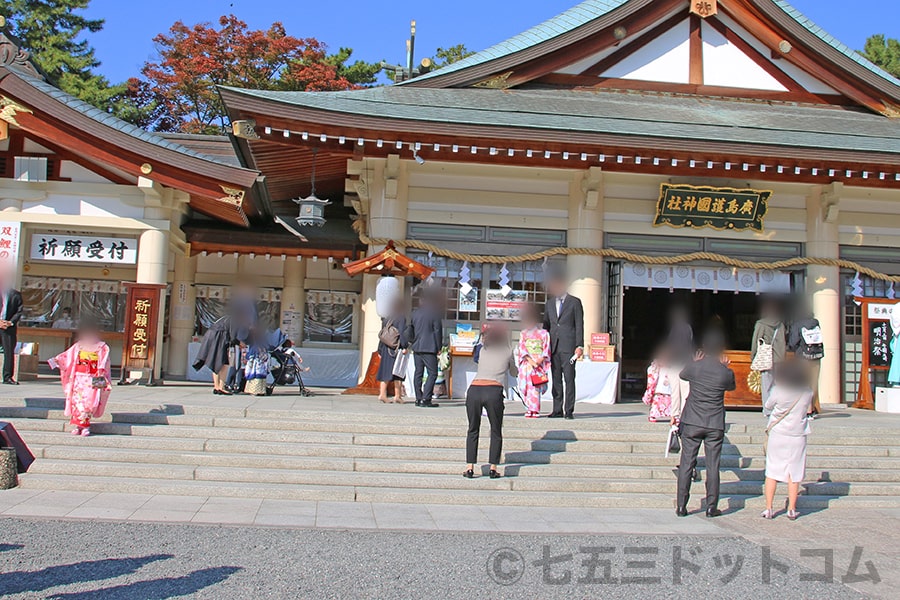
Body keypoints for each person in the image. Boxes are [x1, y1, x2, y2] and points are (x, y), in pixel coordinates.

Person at [675, 331, 736, 518]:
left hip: (693, 420)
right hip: (714, 422)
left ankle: (681, 505)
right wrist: (724, 366)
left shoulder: (695, 367)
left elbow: (682, 375)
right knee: (713, 465)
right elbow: (731, 386)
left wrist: (694, 361)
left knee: (687, 463)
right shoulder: (725, 372)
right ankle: (711, 506)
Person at [761, 360, 813, 521]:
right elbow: (809, 410)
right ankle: (791, 509)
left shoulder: (778, 390)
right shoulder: (807, 392)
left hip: (778, 434)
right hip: (798, 434)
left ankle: (769, 508)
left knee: (772, 471)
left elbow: (768, 405)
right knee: (794, 472)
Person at [464, 324, 515, 479]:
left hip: (475, 389)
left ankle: (470, 467)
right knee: (495, 430)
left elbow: (476, 356)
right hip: (494, 390)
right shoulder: (507, 352)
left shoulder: (482, 350)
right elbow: (514, 372)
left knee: (473, 429)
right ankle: (493, 467)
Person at [48, 320, 111, 437]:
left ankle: (85, 425)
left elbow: (104, 363)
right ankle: (79, 425)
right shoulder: (79, 346)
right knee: (77, 401)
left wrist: (101, 376)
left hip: (94, 377)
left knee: (90, 402)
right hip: (78, 378)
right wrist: (57, 360)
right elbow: (67, 357)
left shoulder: (102, 347)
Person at [193, 285, 258, 395]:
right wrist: (241, 343)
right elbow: (233, 338)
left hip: (215, 337)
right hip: (217, 337)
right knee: (221, 362)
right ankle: (219, 386)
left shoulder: (229, 319)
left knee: (220, 362)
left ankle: (219, 386)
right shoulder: (235, 320)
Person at [542, 268, 584, 420]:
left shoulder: (575, 302)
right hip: (553, 347)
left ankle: (569, 410)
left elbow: (579, 325)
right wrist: (542, 344)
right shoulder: (549, 304)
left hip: (569, 347)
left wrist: (579, 345)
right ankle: (557, 409)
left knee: (569, 379)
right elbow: (546, 326)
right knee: (556, 379)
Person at [406, 288, 443, 408]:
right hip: (430, 347)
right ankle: (426, 398)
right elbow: (437, 331)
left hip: (417, 347)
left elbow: (410, 330)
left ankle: (418, 397)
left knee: (418, 373)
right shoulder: (434, 313)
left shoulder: (414, 313)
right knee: (432, 373)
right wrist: (439, 346)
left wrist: (412, 341)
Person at [788, 304, 824, 417]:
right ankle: (812, 409)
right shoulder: (815, 323)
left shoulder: (797, 324)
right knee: (814, 383)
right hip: (816, 356)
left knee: (803, 383)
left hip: (803, 356)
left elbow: (793, 342)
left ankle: (805, 410)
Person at [517, 303, 551, 418]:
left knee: (535, 387)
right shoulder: (523, 333)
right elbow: (522, 348)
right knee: (525, 386)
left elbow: (546, 349)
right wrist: (530, 360)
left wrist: (539, 360)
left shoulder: (544, 333)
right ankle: (528, 408)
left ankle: (535, 409)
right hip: (527, 363)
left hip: (538, 363)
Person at [751, 299, 786, 405]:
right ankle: (777, 406)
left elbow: (756, 340)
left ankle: (767, 407)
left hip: (766, 358)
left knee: (766, 384)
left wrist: (753, 356)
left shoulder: (761, 324)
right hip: (779, 358)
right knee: (777, 384)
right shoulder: (780, 325)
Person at [376, 298, 408, 404]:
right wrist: (404, 346)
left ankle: (384, 394)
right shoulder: (401, 318)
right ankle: (394, 395)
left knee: (386, 370)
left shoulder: (387, 318)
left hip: (385, 347)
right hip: (395, 348)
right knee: (397, 371)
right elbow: (402, 334)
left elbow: (383, 335)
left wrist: (379, 349)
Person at [643, 345, 676, 423]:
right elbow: (651, 372)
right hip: (660, 388)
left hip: (668, 388)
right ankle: (653, 415)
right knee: (658, 402)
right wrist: (656, 369)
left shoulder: (671, 366)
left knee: (669, 401)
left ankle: (672, 415)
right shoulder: (656, 366)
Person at [0, 274, 23, 385]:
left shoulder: (16, 295)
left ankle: (8, 377)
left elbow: (19, 311)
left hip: (8, 328)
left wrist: (10, 322)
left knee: (9, 352)